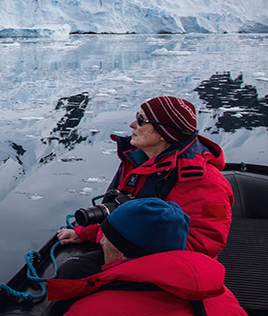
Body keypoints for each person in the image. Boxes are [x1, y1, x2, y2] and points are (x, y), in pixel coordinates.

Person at [55, 96, 233, 278]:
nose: (133, 124)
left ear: (164, 132)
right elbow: (119, 211)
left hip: (171, 269)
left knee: (72, 274)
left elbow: (203, 245)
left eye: (141, 120)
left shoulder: (204, 181)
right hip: (129, 250)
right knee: (70, 271)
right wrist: (85, 232)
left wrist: (125, 245)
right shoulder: (139, 161)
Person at [47, 197, 247, 315]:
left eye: (106, 238)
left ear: (124, 250)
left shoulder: (92, 310)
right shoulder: (224, 298)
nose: (100, 242)